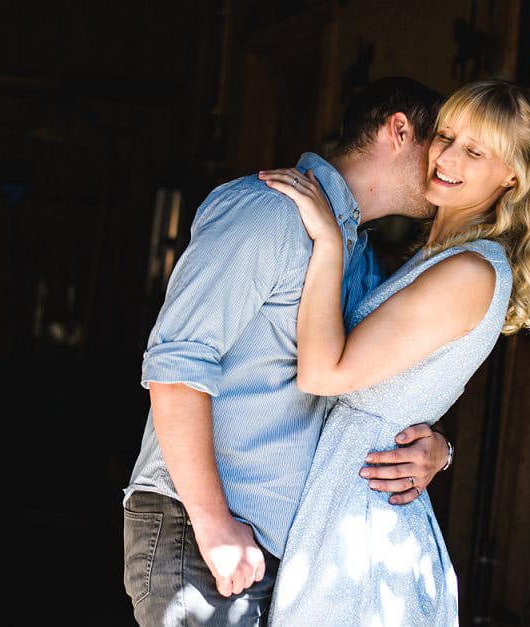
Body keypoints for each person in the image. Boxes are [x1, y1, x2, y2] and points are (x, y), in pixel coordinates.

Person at [122, 77, 454, 625]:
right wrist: (212, 524)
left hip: (284, 550)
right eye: (442, 142)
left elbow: (357, 392)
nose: (449, 166)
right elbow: (176, 364)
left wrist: (437, 450)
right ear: (400, 130)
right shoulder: (268, 210)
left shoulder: (359, 258)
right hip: (202, 529)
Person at [258, 77, 530, 626]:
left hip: (365, 519)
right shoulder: (437, 257)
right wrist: (441, 449)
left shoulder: (469, 270)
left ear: (512, 175)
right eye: (444, 135)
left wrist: (325, 240)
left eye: (474, 150)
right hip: (345, 500)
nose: (445, 156)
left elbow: (325, 371)